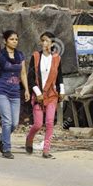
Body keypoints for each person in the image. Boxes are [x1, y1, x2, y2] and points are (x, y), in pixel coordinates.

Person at [0, 30, 30, 159]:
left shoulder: (20, 55)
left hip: (15, 92)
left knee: (14, 123)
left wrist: (26, 89)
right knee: (7, 120)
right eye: (11, 39)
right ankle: (6, 148)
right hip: (1, 91)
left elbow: (23, 74)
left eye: (16, 39)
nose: (14, 41)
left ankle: (2, 137)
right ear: (5, 41)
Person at [26, 31, 65, 159]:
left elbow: (59, 76)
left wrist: (62, 91)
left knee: (49, 122)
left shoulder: (57, 58)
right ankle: (29, 139)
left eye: (47, 41)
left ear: (53, 43)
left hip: (52, 95)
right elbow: (30, 77)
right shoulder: (36, 56)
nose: (44, 43)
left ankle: (46, 150)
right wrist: (37, 93)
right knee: (38, 124)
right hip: (39, 95)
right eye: (43, 40)